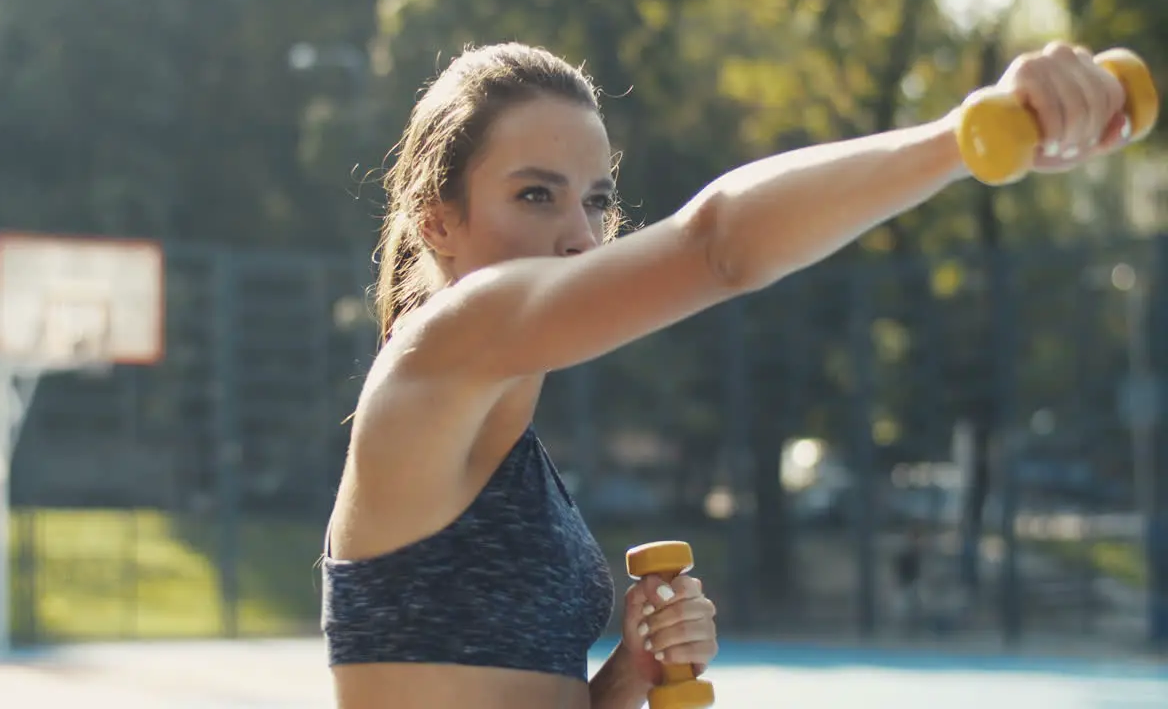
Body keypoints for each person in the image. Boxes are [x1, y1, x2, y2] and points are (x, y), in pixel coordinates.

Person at [319, 40, 1131, 709]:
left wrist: (627, 675)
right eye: (536, 195)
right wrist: (964, 136)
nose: (579, 234)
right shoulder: (439, 354)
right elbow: (718, 245)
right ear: (438, 221)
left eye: (597, 202)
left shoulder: (501, 437)